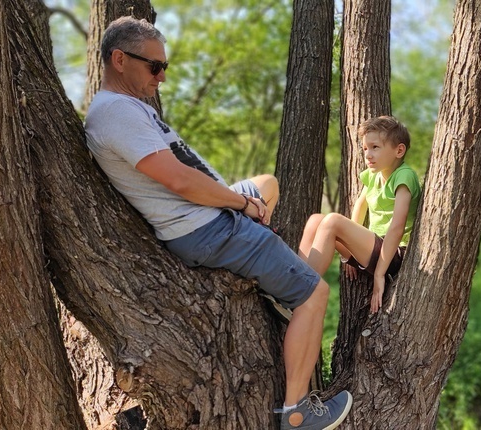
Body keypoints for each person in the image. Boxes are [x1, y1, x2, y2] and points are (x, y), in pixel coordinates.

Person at [84, 16, 351, 430]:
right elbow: (178, 180)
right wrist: (240, 205)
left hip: (210, 213)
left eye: (165, 67)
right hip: (206, 226)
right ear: (119, 59)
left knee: (268, 183)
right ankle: (297, 412)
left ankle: (279, 282)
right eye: (155, 67)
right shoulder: (115, 111)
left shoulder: (127, 106)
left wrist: (244, 198)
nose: (163, 78)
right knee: (315, 293)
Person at [298, 116, 422, 314]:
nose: (368, 155)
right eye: (365, 149)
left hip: (393, 255)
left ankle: (299, 294)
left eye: (375, 147)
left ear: (399, 150)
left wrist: (379, 274)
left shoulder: (404, 176)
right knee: (316, 221)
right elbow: (360, 205)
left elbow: (397, 227)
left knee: (332, 221)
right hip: (371, 248)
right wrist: (350, 246)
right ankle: (293, 280)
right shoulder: (374, 175)